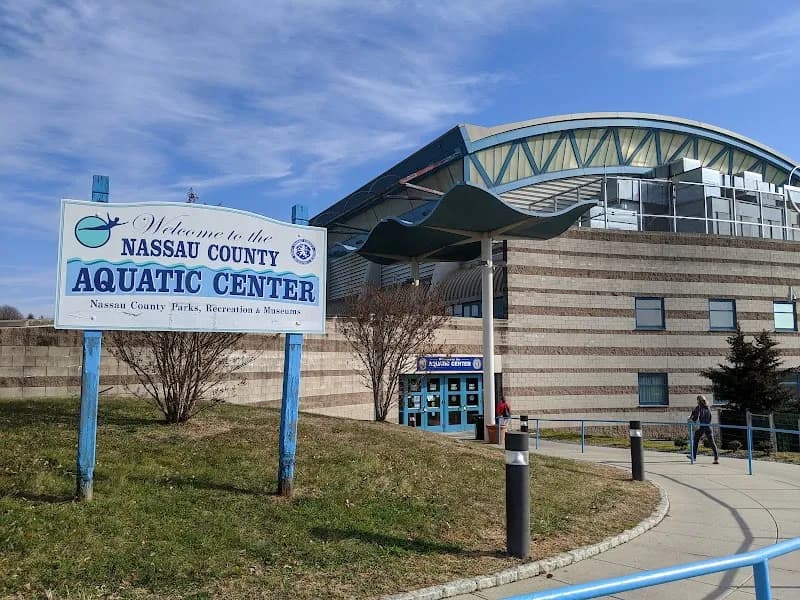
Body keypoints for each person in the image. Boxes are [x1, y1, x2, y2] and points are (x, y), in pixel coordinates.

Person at [689, 394, 719, 464]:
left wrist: (691, 418)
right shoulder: (708, 407)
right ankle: (716, 459)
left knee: (696, 441)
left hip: (701, 427)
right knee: (712, 442)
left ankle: (694, 457)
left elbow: (695, 418)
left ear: (698, 401)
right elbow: (710, 417)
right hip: (708, 426)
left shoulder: (698, 408)